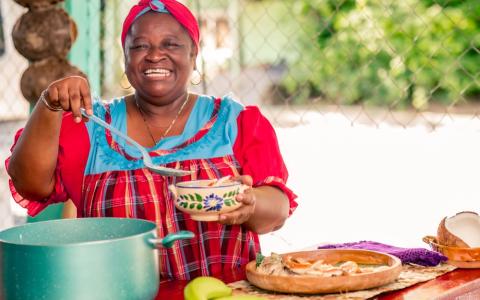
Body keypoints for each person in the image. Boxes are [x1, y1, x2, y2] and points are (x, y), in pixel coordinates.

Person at [6, 0, 297, 280]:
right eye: (140, 46)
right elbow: (30, 185)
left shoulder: (235, 123)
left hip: (223, 292)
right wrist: (49, 105)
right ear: (125, 57)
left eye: (171, 44)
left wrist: (250, 204)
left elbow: (277, 210)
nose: (155, 55)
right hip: (119, 291)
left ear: (194, 54)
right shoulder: (89, 126)